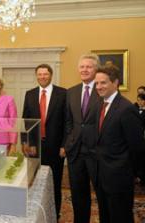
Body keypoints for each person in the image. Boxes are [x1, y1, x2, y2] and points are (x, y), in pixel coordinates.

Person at [93, 65, 145, 223]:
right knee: (105, 216)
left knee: (120, 217)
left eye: (103, 83)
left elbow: (137, 147)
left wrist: (131, 174)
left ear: (115, 83)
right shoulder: (100, 105)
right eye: (97, 83)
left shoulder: (126, 108)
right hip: (101, 175)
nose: (99, 87)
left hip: (120, 178)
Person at [21, 64, 66, 218]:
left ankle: (55, 214)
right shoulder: (30, 94)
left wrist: (64, 145)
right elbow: (25, 121)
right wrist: (26, 143)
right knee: (34, 181)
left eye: (45, 74)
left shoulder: (63, 93)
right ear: (36, 76)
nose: (42, 77)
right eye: (39, 74)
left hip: (55, 147)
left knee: (55, 182)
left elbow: (67, 122)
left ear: (51, 75)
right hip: (35, 147)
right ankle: (36, 213)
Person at [64, 53, 100, 223]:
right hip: (76, 152)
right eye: (82, 66)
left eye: (89, 66)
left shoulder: (102, 90)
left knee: (103, 193)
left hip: (97, 152)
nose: (84, 69)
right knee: (78, 194)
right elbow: (68, 121)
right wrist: (69, 141)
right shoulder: (71, 92)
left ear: (96, 69)